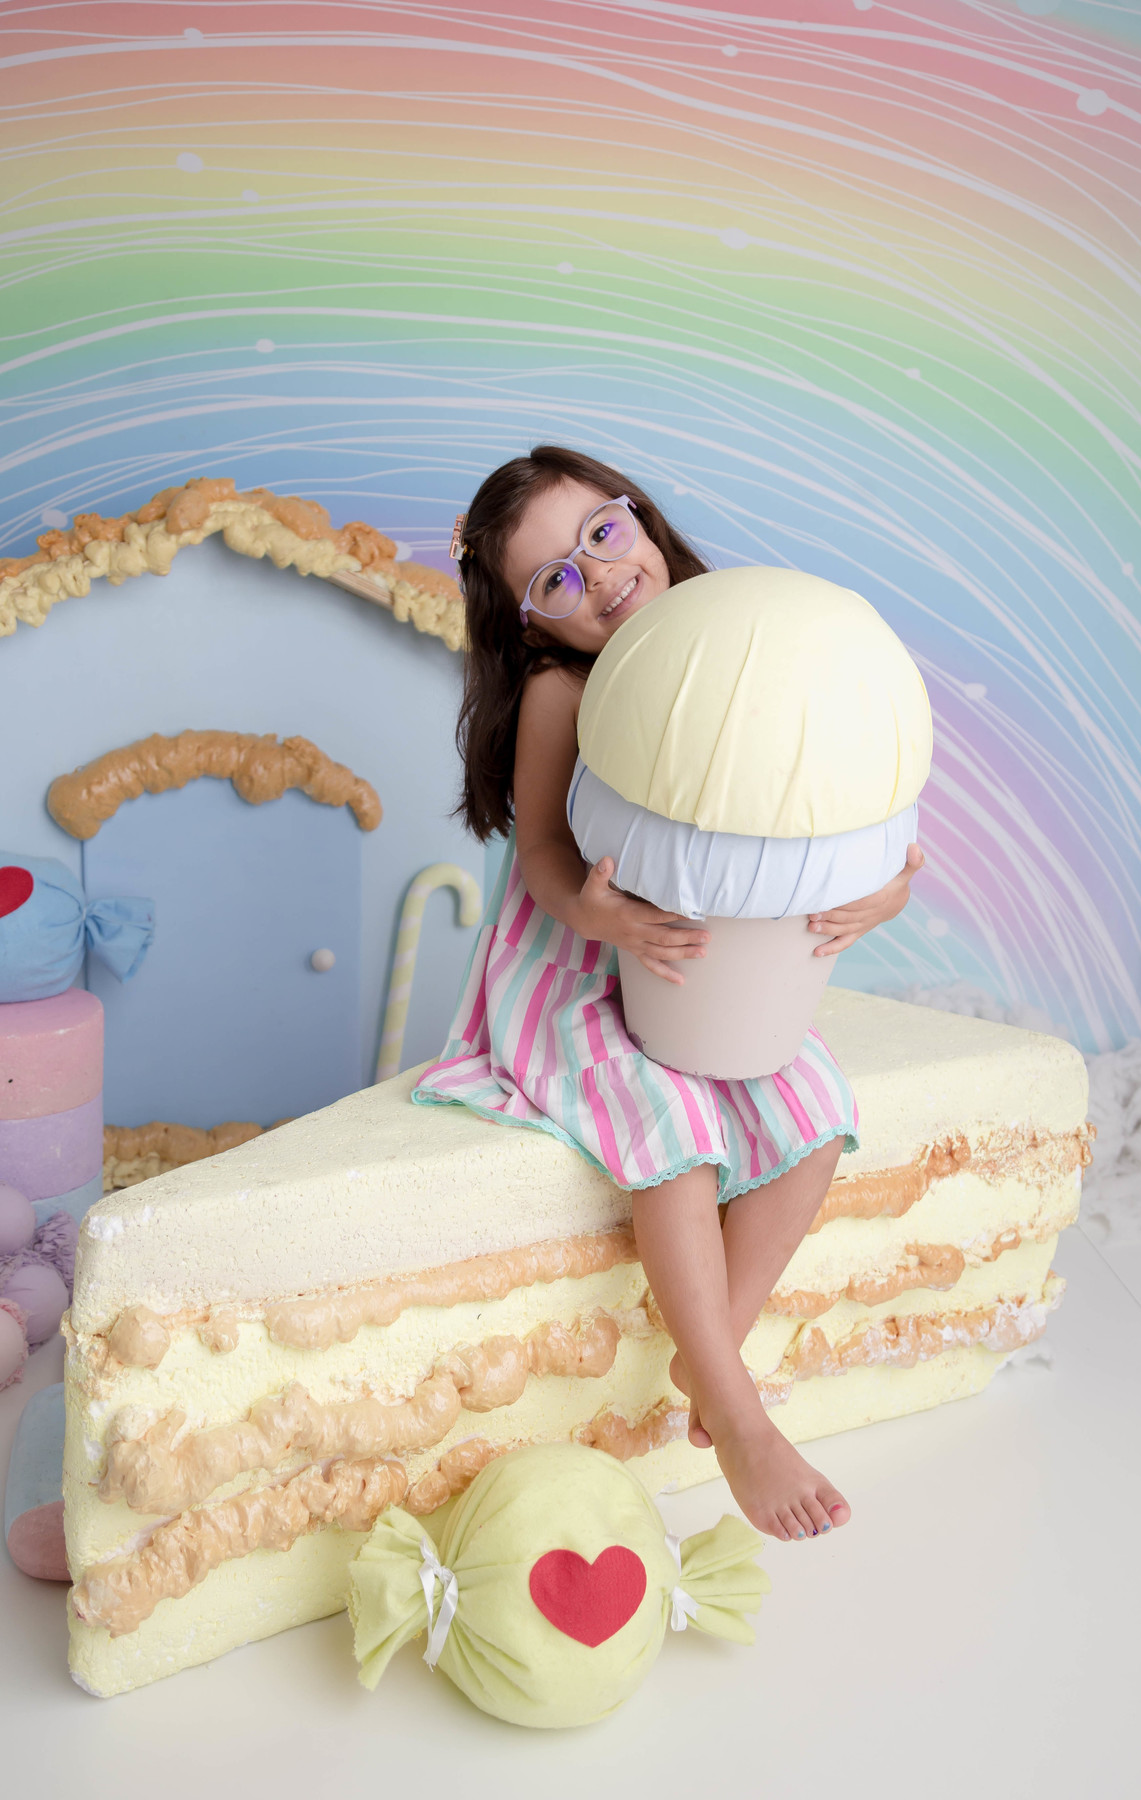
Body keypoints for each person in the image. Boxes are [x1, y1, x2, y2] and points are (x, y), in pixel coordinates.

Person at [413, 445, 924, 1543]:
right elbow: (543, 855)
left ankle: (708, 1359)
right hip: (577, 965)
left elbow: (831, 792)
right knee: (676, 1134)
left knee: (814, 1117)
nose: (599, 573)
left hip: (710, 964)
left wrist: (883, 889)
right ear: (531, 624)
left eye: (603, 532)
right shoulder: (562, 691)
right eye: (556, 579)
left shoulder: (737, 651)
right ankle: (737, 1416)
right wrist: (596, 915)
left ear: (640, 518)